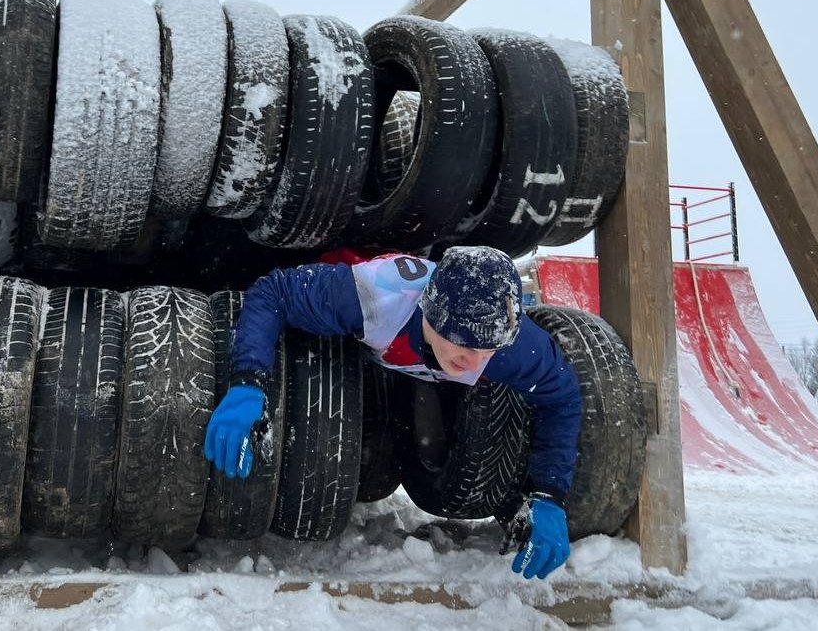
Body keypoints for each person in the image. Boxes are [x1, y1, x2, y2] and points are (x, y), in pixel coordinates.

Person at [203, 245, 582, 580]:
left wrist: (549, 494)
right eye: (464, 344)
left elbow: (562, 398)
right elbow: (273, 293)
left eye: (489, 349)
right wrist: (247, 384)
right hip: (355, 298)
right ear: (432, 314)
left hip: (410, 358)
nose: (475, 361)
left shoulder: (511, 349)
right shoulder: (373, 297)